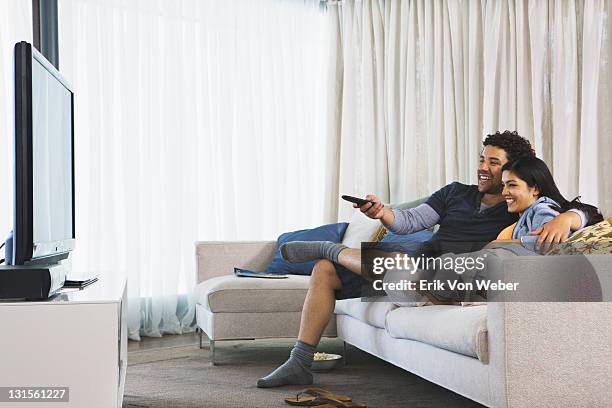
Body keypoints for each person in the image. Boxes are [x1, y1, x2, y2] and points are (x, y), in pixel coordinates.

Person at [256, 131, 594, 388]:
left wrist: (571, 217)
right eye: (482, 159)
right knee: (325, 269)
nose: (483, 168)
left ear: (515, 171)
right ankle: (300, 360)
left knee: (403, 270)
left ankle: (336, 250)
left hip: (454, 272)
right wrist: (381, 213)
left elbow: (579, 210)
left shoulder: (517, 201)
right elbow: (409, 222)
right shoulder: (455, 193)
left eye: (494, 163)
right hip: (422, 259)